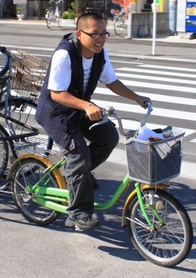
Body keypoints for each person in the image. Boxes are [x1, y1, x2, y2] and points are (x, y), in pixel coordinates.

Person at [35, 12, 150, 231]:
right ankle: (79, 213)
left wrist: (137, 97)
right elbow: (57, 94)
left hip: (79, 108)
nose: (100, 39)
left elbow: (112, 81)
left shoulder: (99, 53)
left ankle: (80, 177)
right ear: (79, 34)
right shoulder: (64, 54)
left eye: (104, 33)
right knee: (79, 155)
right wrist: (87, 105)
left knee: (108, 137)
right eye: (94, 34)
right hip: (57, 113)